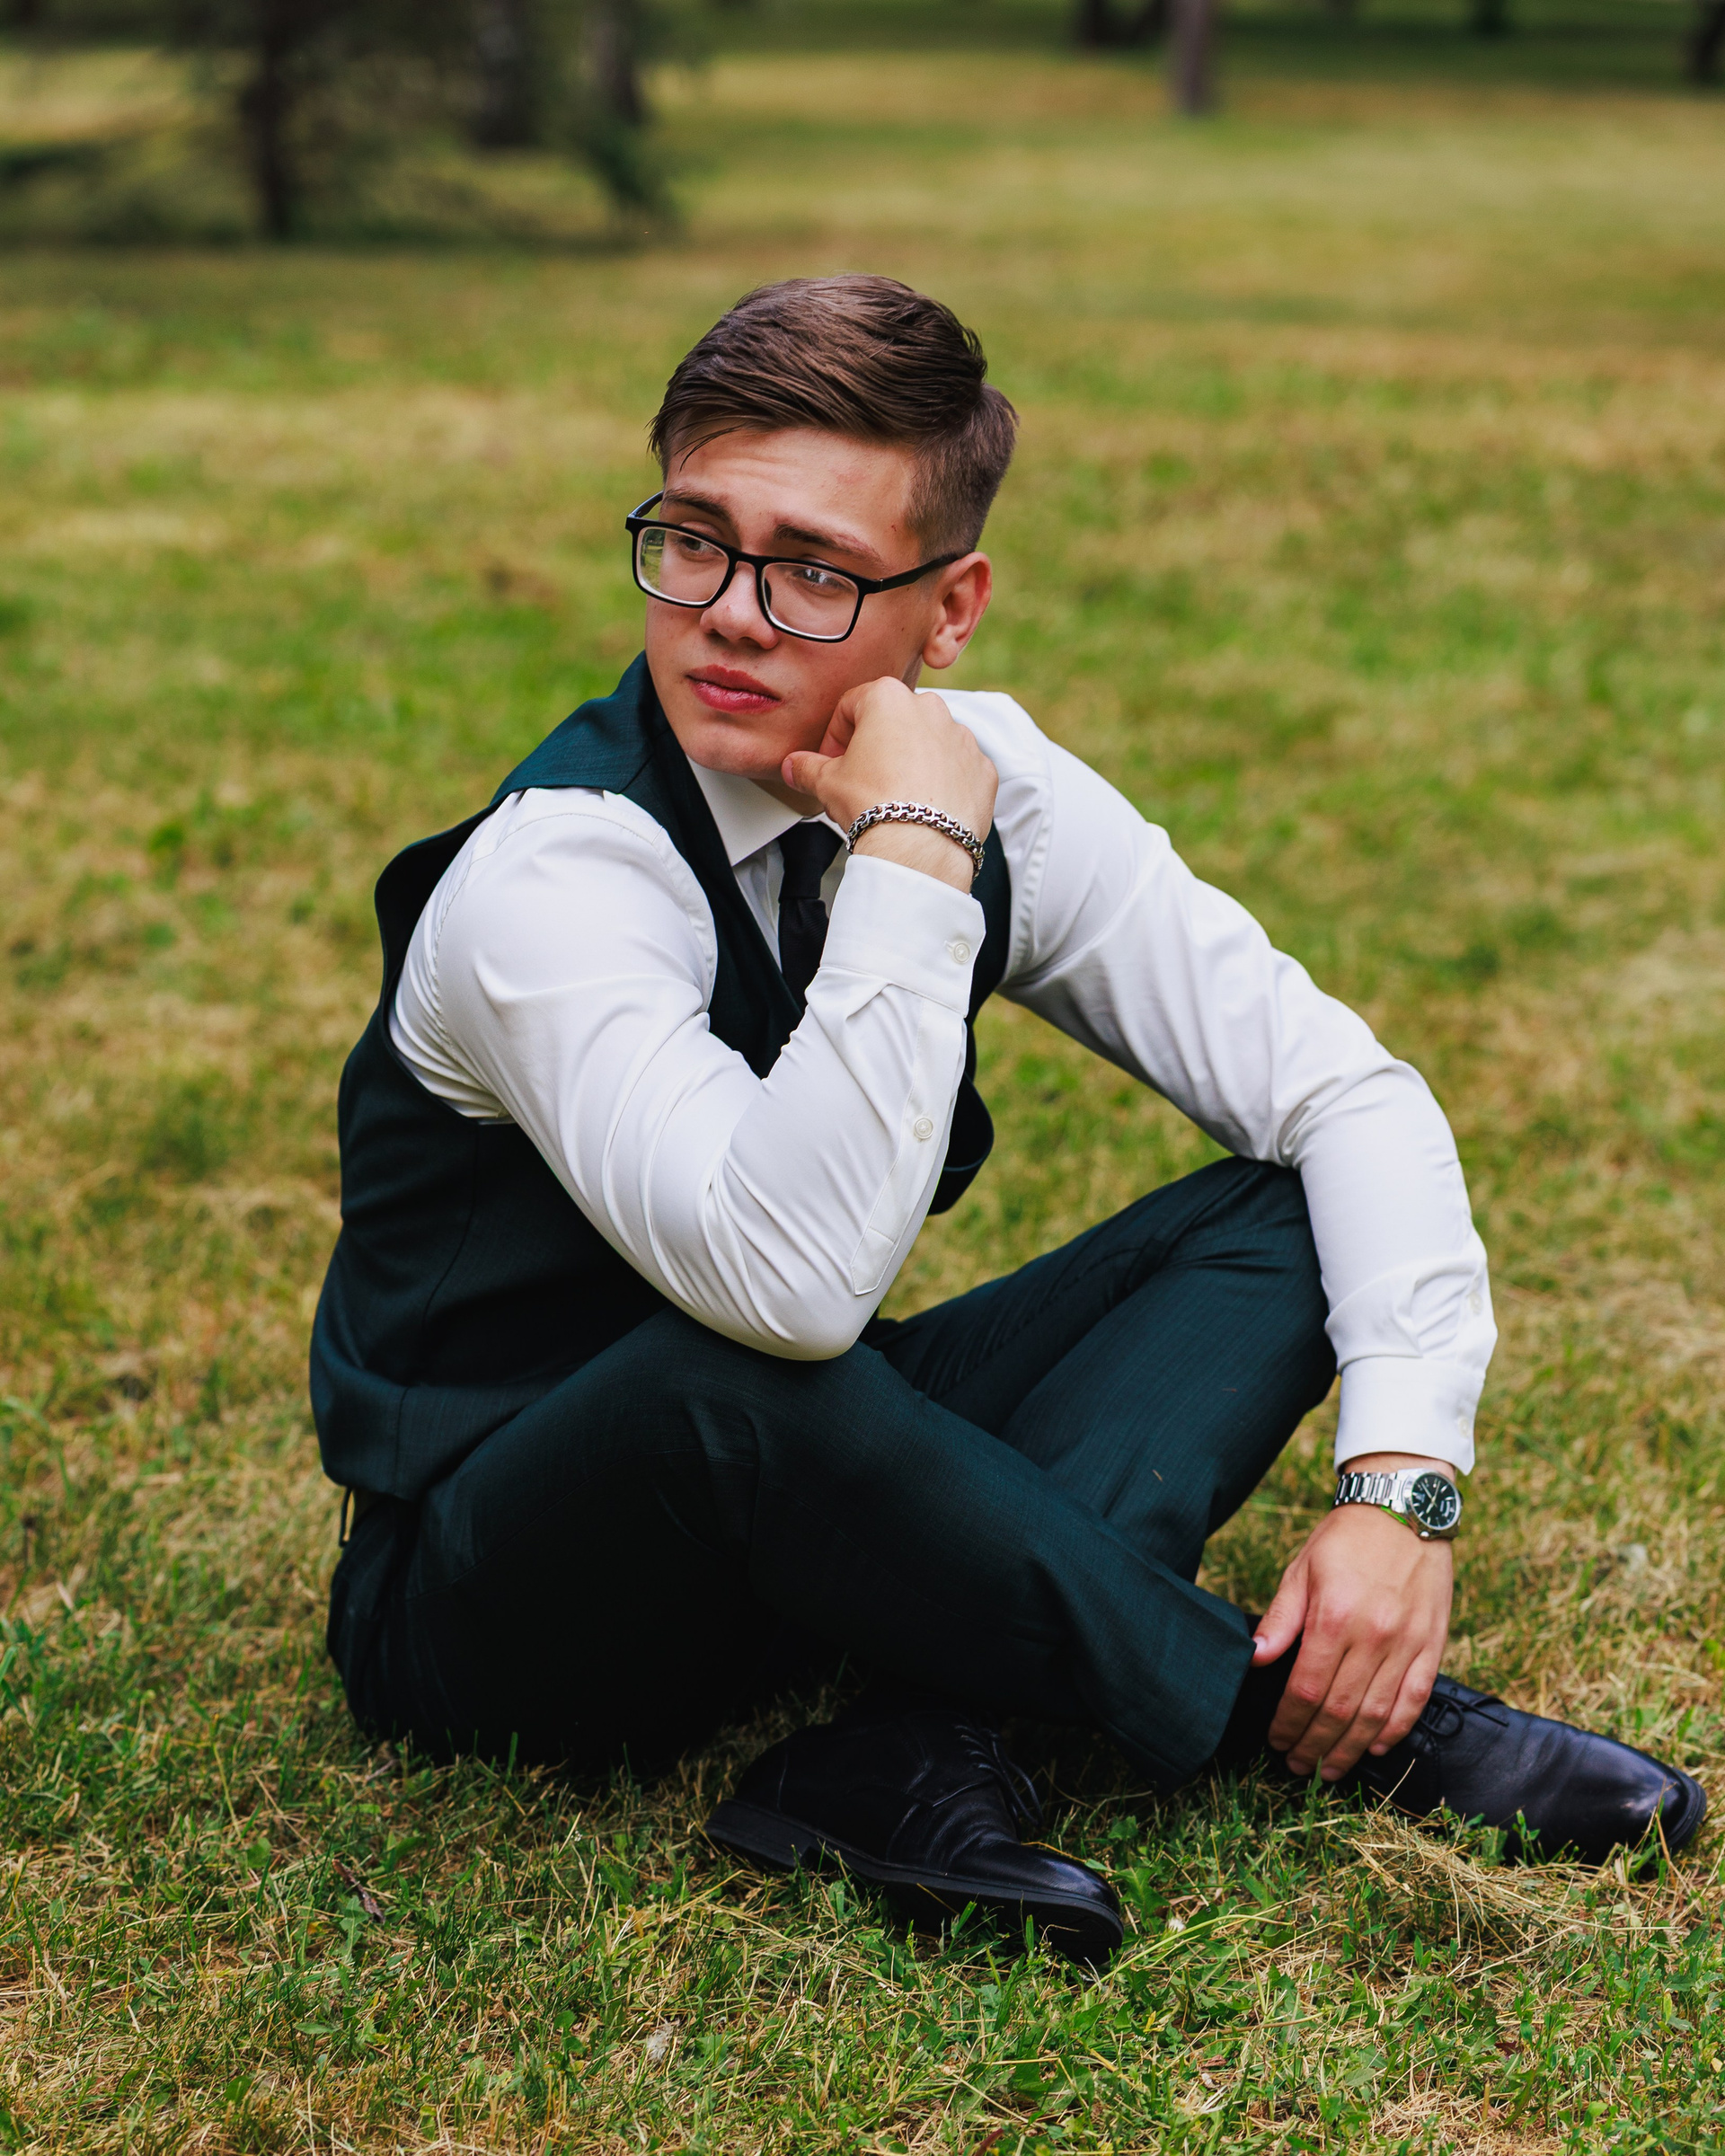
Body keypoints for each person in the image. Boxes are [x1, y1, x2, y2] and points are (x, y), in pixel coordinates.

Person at [313, 276, 1703, 1965]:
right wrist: (911, 854)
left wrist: (1398, 1490)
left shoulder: (998, 782)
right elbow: (790, 1294)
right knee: (728, 1377)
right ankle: (1313, 1720)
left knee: (1277, 1215)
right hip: (509, 1599)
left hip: (815, 1498)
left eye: (815, 570)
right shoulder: (557, 876)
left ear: (951, 608)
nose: (732, 615)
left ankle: (914, 1737)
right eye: (693, 541)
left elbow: (1345, 1091)